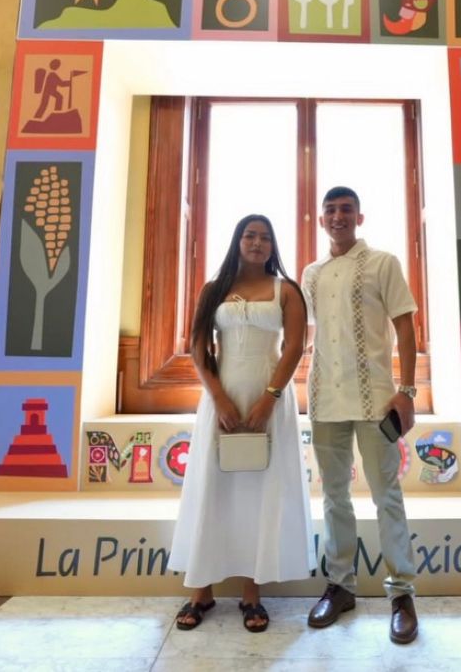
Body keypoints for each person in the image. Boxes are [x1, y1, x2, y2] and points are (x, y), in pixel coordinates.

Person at [167, 214, 315, 633]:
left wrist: (270, 398)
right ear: (237, 241)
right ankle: (201, 591)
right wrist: (217, 397)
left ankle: (252, 594)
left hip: (270, 401)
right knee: (211, 488)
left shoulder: (286, 290)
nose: (257, 242)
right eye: (250, 235)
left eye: (265, 237)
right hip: (222, 399)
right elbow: (198, 346)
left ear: (272, 245)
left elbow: (294, 348)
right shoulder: (213, 289)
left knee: (261, 493)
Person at [301, 186, 420, 644]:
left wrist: (407, 391)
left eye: (346, 209)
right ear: (321, 220)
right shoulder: (312, 273)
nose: (338, 216)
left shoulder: (383, 263)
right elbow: (307, 335)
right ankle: (340, 586)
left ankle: (402, 594)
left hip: (377, 400)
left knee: (386, 495)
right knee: (334, 496)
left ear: (359, 217)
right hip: (325, 400)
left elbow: (405, 326)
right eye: (330, 210)